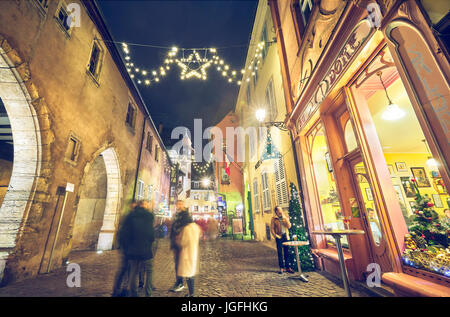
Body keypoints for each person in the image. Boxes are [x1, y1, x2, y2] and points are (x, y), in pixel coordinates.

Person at [112, 200, 155, 297]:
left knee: (133, 272)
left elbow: (124, 234)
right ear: (144, 206)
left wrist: (126, 248)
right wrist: (149, 242)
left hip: (132, 250)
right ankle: (148, 294)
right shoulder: (149, 216)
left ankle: (133, 294)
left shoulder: (130, 216)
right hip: (146, 250)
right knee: (149, 271)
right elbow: (151, 235)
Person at [173, 210, 202, 297]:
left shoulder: (186, 229)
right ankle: (191, 293)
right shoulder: (196, 227)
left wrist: (178, 239)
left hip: (186, 254)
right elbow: (199, 236)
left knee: (189, 275)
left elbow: (183, 242)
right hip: (193, 252)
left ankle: (191, 294)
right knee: (191, 274)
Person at [169, 200, 188, 292]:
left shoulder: (185, 215)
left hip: (181, 243)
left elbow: (186, 228)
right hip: (176, 243)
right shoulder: (177, 214)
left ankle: (180, 283)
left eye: (180, 204)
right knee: (177, 264)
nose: (178, 205)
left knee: (180, 264)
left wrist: (179, 236)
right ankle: (178, 282)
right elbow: (173, 228)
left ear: (183, 205)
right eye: (177, 204)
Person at [270, 206, 294, 274]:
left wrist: (285, 219)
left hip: (286, 236)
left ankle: (288, 267)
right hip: (279, 237)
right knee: (280, 253)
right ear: (276, 212)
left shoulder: (285, 217)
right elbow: (272, 228)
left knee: (287, 252)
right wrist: (276, 236)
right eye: (279, 210)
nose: (281, 212)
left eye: (281, 210)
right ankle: (281, 268)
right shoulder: (274, 219)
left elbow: (289, 226)